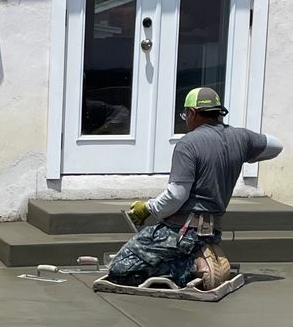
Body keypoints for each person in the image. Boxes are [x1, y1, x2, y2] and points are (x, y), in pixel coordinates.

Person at [108, 87, 283, 290]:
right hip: (211, 231)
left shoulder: (188, 143)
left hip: (181, 232)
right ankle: (203, 255)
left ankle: (195, 267)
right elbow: (276, 145)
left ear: (192, 113)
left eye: (185, 115)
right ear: (218, 113)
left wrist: (148, 208)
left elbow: (176, 196)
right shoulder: (241, 138)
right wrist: (244, 153)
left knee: (120, 268)